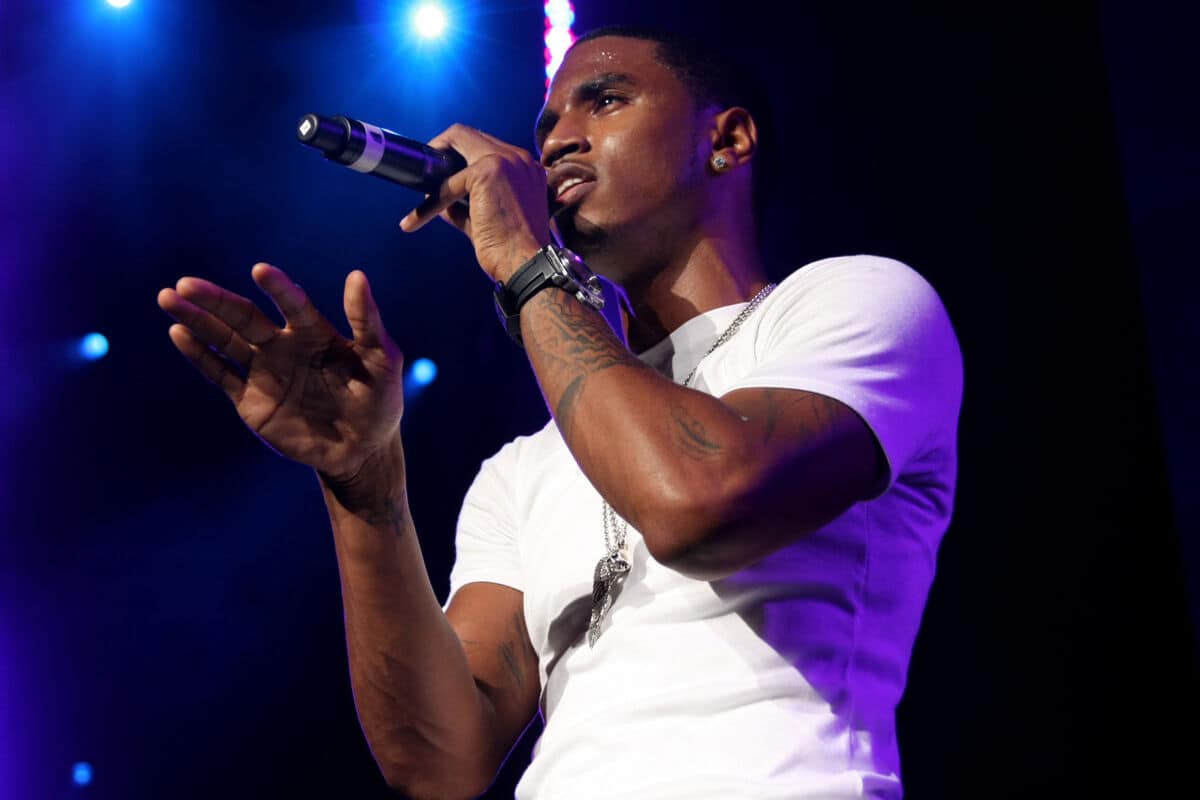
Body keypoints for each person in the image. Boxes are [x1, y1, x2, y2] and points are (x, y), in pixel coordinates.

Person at [158, 25, 962, 800]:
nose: (557, 143)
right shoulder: (523, 469)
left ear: (728, 140)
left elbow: (693, 502)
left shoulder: (855, 302)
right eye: (544, 128)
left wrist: (523, 262)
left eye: (605, 101)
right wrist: (363, 482)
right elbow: (440, 763)